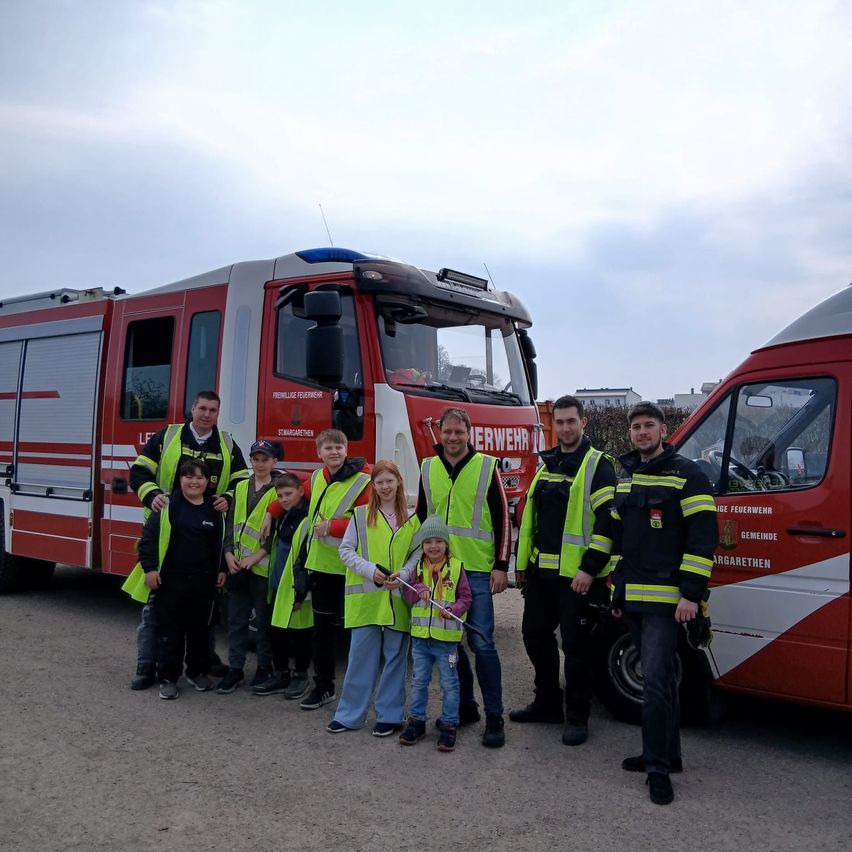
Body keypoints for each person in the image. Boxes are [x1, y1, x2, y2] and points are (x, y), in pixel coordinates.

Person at [610, 402, 718, 805]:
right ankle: (667, 754)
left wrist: (691, 594)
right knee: (660, 685)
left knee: (655, 683)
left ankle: (657, 769)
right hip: (635, 599)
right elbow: (623, 543)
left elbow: (702, 539)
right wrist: (618, 594)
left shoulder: (688, 474)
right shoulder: (627, 477)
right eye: (636, 427)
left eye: (648, 426)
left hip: (667, 600)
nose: (641, 432)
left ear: (663, 429)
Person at [511, 395, 616, 746]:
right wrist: (522, 564)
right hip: (542, 576)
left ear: (583, 423)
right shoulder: (546, 464)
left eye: (572, 421)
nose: (566, 427)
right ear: (553, 425)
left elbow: (607, 524)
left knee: (575, 648)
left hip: (577, 579)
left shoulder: (597, 465)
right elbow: (531, 521)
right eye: (560, 422)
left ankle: (577, 714)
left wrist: (590, 569)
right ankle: (547, 704)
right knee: (534, 636)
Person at [127, 390, 248, 690]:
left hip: (204, 528)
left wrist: (229, 499)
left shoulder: (228, 443)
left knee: (202, 608)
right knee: (156, 608)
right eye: (202, 409)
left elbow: (241, 479)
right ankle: (146, 665)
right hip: (166, 530)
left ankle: (202, 662)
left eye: (213, 410)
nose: (207, 415)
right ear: (191, 409)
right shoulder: (167, 437)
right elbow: (139, 471)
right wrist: (153, 495)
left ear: (218, 414)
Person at [416, 407, 511, 748]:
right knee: (450, 644)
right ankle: (467, 707)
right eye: (447, 432)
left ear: (469, 433)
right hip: (442, 571)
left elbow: (502, 518)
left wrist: (501, 565)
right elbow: (422, 520)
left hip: (477, 570)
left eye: (459, 432)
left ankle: (495, 716)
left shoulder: (487, 466)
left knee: (482, 643)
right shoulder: (428, 468)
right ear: (440, 433)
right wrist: (418, 567)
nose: (453, 437)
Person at [275, 429, 371, 710]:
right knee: (324, 632)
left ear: (346, 449)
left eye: (338, 447)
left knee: (359, 632)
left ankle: (358, 696)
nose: (333, 452)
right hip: (320, 565)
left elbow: (367, 519)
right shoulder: (317, 477)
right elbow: (293, 496)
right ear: (319, 453)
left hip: (351, 566)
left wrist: (332, 527)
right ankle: (324, 687)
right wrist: (271, 511)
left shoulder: (364, 479)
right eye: (328, 448)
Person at [328, 461, 421, 736]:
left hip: (397, 599)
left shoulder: (413, 519)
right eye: (379, 482)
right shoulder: (359, 516)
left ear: (399, 482)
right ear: (374, 486)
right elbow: (346, 551)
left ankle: (390, 716)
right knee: (360, 657)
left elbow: (418, 553)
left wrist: (404, 572)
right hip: (367, 599)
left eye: (389, 481)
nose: (385, 486)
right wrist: (371, 572)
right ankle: (349, 715)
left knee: (395, 658)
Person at [133, 460, 227, 700]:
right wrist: (150, 569)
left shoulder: (214, 510)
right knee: (171, 634)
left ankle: (196, 672)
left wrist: (222, 569)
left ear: (208, 482)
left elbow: (220, 544)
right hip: (172, 582)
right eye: (189, 477)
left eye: (200, 477)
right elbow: (149, 540)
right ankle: (168, 678)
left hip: (204, 584)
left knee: (199, 633)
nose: (194, 482)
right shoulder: (167, 505)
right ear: (180, 480)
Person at [396, 516, 472, 752]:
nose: (434, 546)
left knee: (450, 683)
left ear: (447, 544)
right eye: (428, 542)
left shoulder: (457, 568)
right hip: (420, 639)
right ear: (422, 545)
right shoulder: (417, 570)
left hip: (447, 642)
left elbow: (466, 598)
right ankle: (416, 721)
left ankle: (449, 724)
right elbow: (407, 597)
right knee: (419, 682)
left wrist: (454, 610)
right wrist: (418, 589)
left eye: (439, 541)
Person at [217, 440, 281, 694]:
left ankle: (264, 667)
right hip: (237, 567)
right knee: (236, 621)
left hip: (262, 567)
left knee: (264, 623)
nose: (260, 463)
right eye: (256, 458)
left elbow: (277, 532)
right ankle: (235, 669)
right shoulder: (241, 487)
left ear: (274, 462)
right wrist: (228, 553)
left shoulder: (279, 490)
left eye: (265, 459)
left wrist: (256, 557)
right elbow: (231, 523)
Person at [253, 472, 312, 699]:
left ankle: (300, 676)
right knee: (276, 630)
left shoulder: (305, 516)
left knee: (301, 633)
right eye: (280, 496)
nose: (284, 499)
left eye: (289, 494)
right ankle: (281, 674)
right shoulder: (283, 514)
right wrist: (270, 512)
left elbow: (305, 557)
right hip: (279, 583)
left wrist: (301, 593)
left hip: (297, 587)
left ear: (301, 492)